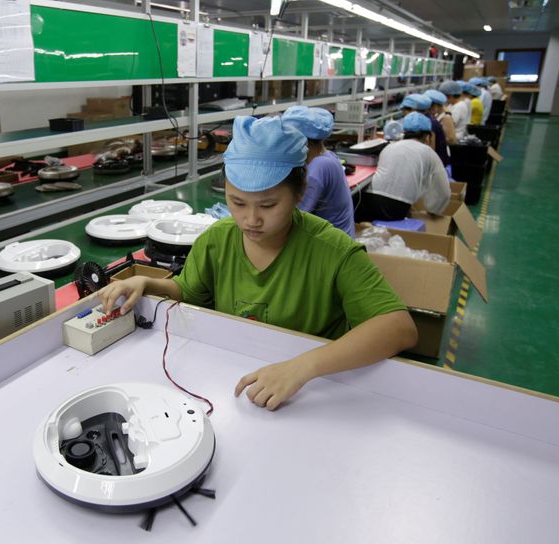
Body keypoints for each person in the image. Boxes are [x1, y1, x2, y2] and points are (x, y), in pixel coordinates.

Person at [99, 115, 417, 411]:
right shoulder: (218, 239)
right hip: (232, 383)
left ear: (299, 193)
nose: (250, 220)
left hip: (310, 392)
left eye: (268, 205)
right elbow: (189, 291)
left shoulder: (332, 251)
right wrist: (148, 283)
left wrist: (303, 367)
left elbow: (398, 329)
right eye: (237, 202)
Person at [354, 112, 451, 222]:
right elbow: (444, 192)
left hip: (369, 200)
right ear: (427, 136)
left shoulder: (389, 147)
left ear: (404, 132)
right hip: (397, 208)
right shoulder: (429, 153)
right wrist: (434, 211)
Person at [281, 106, 355, 238]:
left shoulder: (318, 167)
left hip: (331, 249)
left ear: (306, 142)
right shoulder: (328, 156)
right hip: (337, 239)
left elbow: (294, 217)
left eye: (290, 141)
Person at [403, 93, 450, 167]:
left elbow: (430, 152)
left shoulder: (427, 123)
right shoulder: (428, 120)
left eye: (406, 110)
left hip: (437, 166)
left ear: (414, 109)